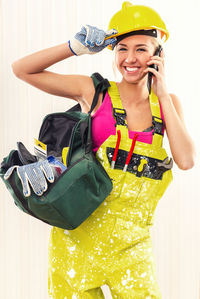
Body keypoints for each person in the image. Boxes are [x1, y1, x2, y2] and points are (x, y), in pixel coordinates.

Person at [11, 2, 195, 298]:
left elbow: (186, 160)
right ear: (113, 53)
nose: (131, 58)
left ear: (159, 53)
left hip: (132, 250)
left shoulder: (168, 104)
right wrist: (73, 47)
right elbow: (21, 70)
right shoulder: (94, 92)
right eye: (122, 48)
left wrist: (162, 93)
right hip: (75, 245)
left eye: (142, 48)